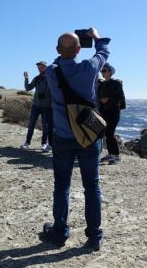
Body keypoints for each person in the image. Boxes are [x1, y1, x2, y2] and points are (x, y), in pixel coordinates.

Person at [42, 27, 110, 251]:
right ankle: (94, 236)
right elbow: (104, 51)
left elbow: (57, 60)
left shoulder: (52, 72)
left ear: (57, 50)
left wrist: (64, 51)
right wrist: (95, 36)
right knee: (92, 186)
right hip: (89, 137)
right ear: (80, 49)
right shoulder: (89, 68)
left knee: (62, 186)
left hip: (62, 137)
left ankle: (59, 233)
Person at [20, 61, 53, 152]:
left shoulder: (51, 78)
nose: (40, 70)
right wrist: (26, 79)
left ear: (46, 68)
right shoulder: (37, 78)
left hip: (46, 106)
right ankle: (27, 142)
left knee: (45, 125)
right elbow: (28, 88)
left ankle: (44, 144)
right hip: (36, 105)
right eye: (38, 68)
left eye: (41, 68)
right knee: (31, 124)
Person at [97, 63, 125, 165]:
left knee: (110, 133)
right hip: (105, 111)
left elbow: (121, 98)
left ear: (110, 72)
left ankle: (117, 156)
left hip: (114, 110)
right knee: (106, 133)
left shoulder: (116, 83)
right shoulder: (103, 84)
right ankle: (110, 154)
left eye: (104, 70)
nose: (102, 72)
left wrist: (108, 99)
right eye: (102, 71)